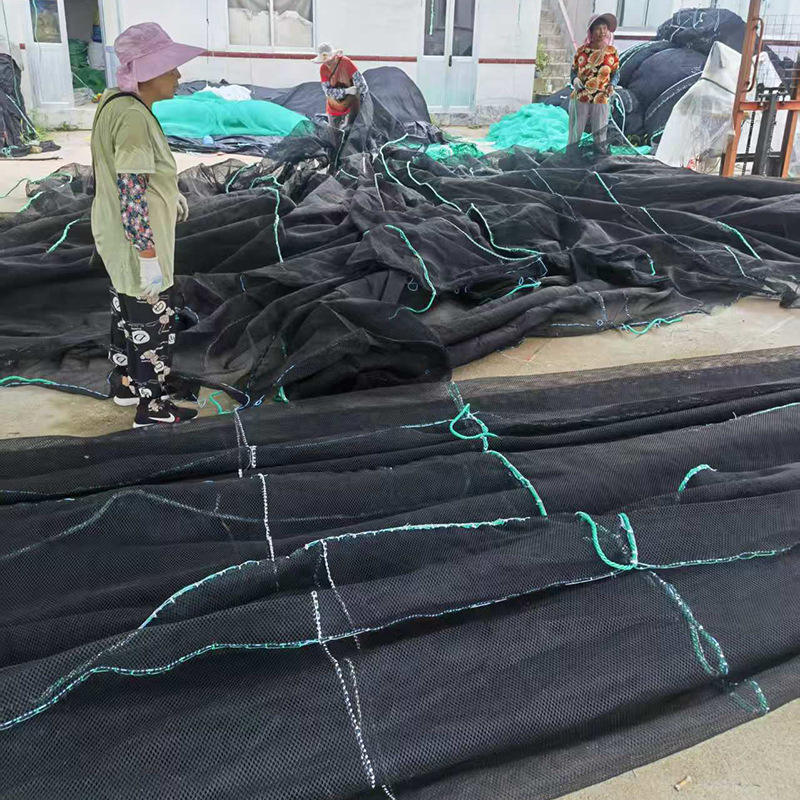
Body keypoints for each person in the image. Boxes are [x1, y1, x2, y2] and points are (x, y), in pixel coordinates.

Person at [91, 22, 204, 427]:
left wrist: (169, 193)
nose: (178, 75)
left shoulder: (115, 103)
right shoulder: (134, 118)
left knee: (125, 311)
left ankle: (125, 383)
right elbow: (131, 192)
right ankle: (152, 408)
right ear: (149, 71)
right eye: (170, 67)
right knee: (151, 320)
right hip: (137, 240)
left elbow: (128, 173)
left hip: (114, 233)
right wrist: (149, 255)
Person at [568, 13, 620, 153]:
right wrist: (574, 80)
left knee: (600, 132)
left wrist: (612, 85)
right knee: (575, 131)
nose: (602, 32)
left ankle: (599, 157)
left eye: (604, 28)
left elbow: (616, 73)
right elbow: (573, 71)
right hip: (581, 95)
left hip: (601, 96)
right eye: (598, 28)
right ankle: (571, 156)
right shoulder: (582, 51)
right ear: (591, 31)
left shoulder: (612, 52)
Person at [313, 43, 369, 133]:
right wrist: (346, 91)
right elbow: (328, 92)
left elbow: (361, 84)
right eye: (324, 61)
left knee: (351, 131)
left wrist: (360, 99)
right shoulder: (323, 69)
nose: (327, 63)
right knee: (334, 134)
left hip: (351, 104)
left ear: (334, 57)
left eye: (329, 60)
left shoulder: (346, 62)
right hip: (334, 106)